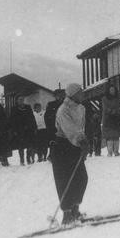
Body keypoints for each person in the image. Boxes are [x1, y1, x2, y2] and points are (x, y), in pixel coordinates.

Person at [49, 83, 89, 225]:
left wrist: (84, 141)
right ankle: (67, 213)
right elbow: (70, 129)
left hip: (75, 146)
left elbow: (80, 128)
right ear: (73, 94)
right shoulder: (63, 110)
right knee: (65, 180)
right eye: (80, 92)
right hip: (62, 146)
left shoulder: (81, 108)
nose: (82, 94)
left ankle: (75, 209)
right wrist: (81, 141)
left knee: (81, 178)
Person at [7, 96, 37, 165]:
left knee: (29, 145)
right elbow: (12, 120)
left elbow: (32, 118)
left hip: (28, 129)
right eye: (20, 99)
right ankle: (22, 160)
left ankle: (28, 158)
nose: (21, 101)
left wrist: (34, 127)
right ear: (17, 101)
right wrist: (14, 130)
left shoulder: (28, 107)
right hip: (19, 130)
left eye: (22, 99)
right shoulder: (14, 109)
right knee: (21, 146)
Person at [101, 83, 120, 156]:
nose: (112, 91)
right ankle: (109, 152)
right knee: (109, 136)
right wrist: (112, 111)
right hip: (108, 119)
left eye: (113, 90)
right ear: (108, 90)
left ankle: (116, 151)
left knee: (116, 135)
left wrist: (117, 111)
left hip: (116, 119)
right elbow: (105, 108)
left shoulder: (118, 98)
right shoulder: (104, 98)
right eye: (111, 90)